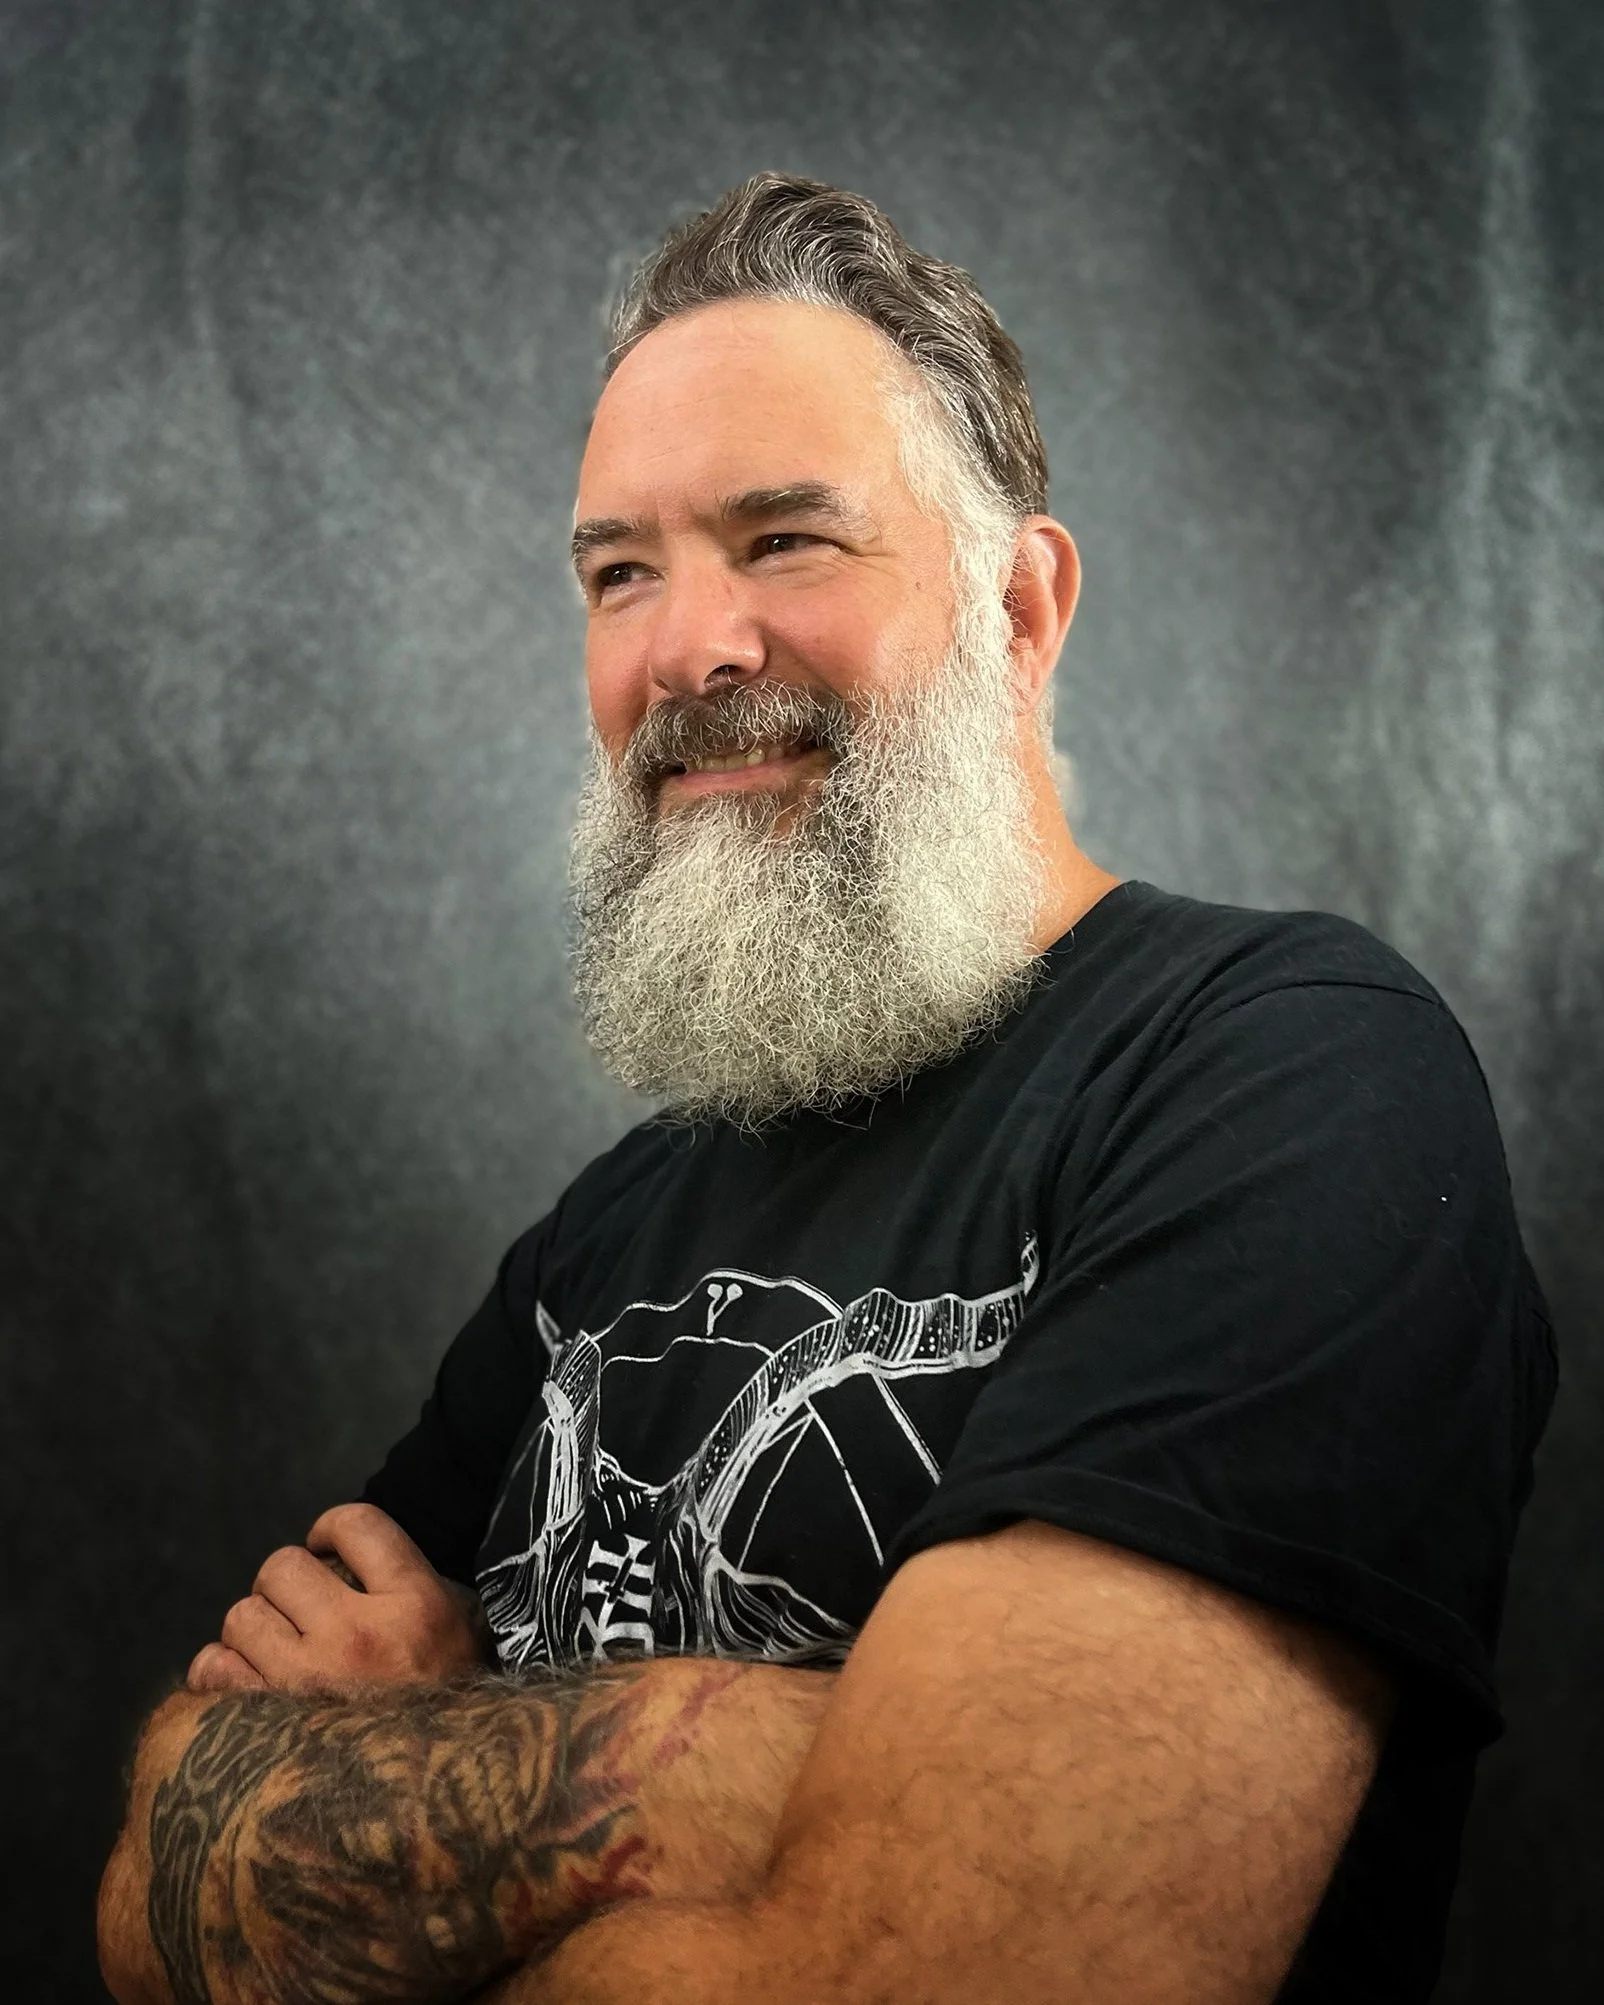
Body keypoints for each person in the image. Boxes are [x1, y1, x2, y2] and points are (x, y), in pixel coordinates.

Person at [98, 173, 1555, 2005]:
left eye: (787, 540)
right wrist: (835, 1758)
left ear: (1020, 606)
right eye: (621, 572)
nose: (687, 650)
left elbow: (977, 1961)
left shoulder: (1286, 1077)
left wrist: (444, 1760)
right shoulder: (606, 1237)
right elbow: (161, 1879)